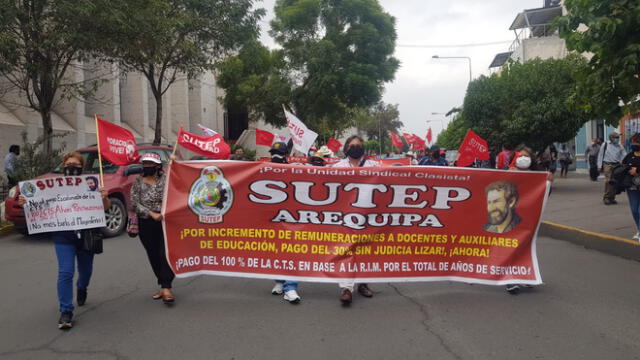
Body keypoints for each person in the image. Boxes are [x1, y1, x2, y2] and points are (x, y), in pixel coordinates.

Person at [19, 151, 111, 329]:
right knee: (65, 272)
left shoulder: (91, 184)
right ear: (63, 167)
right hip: (63, 236)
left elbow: (105, 207)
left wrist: (104, 197)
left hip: (86, 234)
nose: (72, 168)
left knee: (85, 271)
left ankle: (82, 287)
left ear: (82, 168)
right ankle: (66, 310)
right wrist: (26, 202)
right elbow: (38, 204)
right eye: (68, 165)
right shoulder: (52, 186)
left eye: (76, 166)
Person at [331, 135, 378, 305]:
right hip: (345, 217)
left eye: (358, 145)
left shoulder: (374, 166)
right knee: (346, 250)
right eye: (352, 145)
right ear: (346, 148)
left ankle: (363, 284)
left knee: (365, 250)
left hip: (368, 216)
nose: (356, 148)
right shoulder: (337, 167)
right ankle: (346, 288)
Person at [130, 152, 176, 304]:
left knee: (165, 253)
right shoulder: (138, 181)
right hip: (146, 222)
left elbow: (178, 182)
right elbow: (134, 203)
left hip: (165, 222)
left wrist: (174, 164)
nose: (147, 166)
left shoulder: (166, 179)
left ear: (158, 166)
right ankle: (162, 286)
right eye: (145, 164)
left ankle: (167, 286)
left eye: (151, 164)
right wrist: (151, 213)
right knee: (153, 254)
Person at [267, 142, 302, 303]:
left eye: (279, 153)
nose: (275, 156)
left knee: (291, 252)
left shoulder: (294, 169)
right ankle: (279, 282)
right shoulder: (263, 169)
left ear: (286, 156)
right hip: (271, 219)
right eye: (273, 153)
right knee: (275, 252)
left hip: (291, 219)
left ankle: (291, 287)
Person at [597, 132, 626, 205]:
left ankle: (612, 197)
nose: (617, 139)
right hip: (607, 164)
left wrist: (626, 163)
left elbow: (624, 155)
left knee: (615, 181)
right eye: (615, 137)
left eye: (617, 138)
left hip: (617, 165)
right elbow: (600, 155)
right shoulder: (605, 144)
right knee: (608, 181)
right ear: (611, 138)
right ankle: (606, 197)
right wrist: (599, 166)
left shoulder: (620, 146)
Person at [621, 133, 640, 241]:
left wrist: (637, 171)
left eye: (636, 142)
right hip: (632, 187)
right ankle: (639, 229)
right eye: (633, 142)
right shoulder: (629, 155)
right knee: (634, 210)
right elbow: (623, 166)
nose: (634, 144)